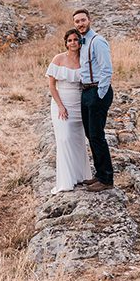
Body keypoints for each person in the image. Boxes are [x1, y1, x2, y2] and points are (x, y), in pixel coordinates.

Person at [74, 9, 114, 191]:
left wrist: (100, 94)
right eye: (77, 22)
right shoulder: (82, 42)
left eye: (83, 20)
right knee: (91, 135)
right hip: (86, 91)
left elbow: (107, 70)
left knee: (97, 135)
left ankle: (106, 180)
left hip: (98, 91)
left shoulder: (97, 41)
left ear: (89, 20)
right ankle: (99, 174)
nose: (80, 24)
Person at [46, 28, 90, 192]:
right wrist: (61, 106)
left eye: (76, 40)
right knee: (64, 139)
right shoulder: (58, 59)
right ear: (66, 43)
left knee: (78, 141)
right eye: (70, 40)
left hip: (79, 105)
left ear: (80, 42)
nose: (73, 43)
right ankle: (65, 182)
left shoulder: (84, 60)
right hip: (61, 104)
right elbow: (51, 85)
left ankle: (80, 177)